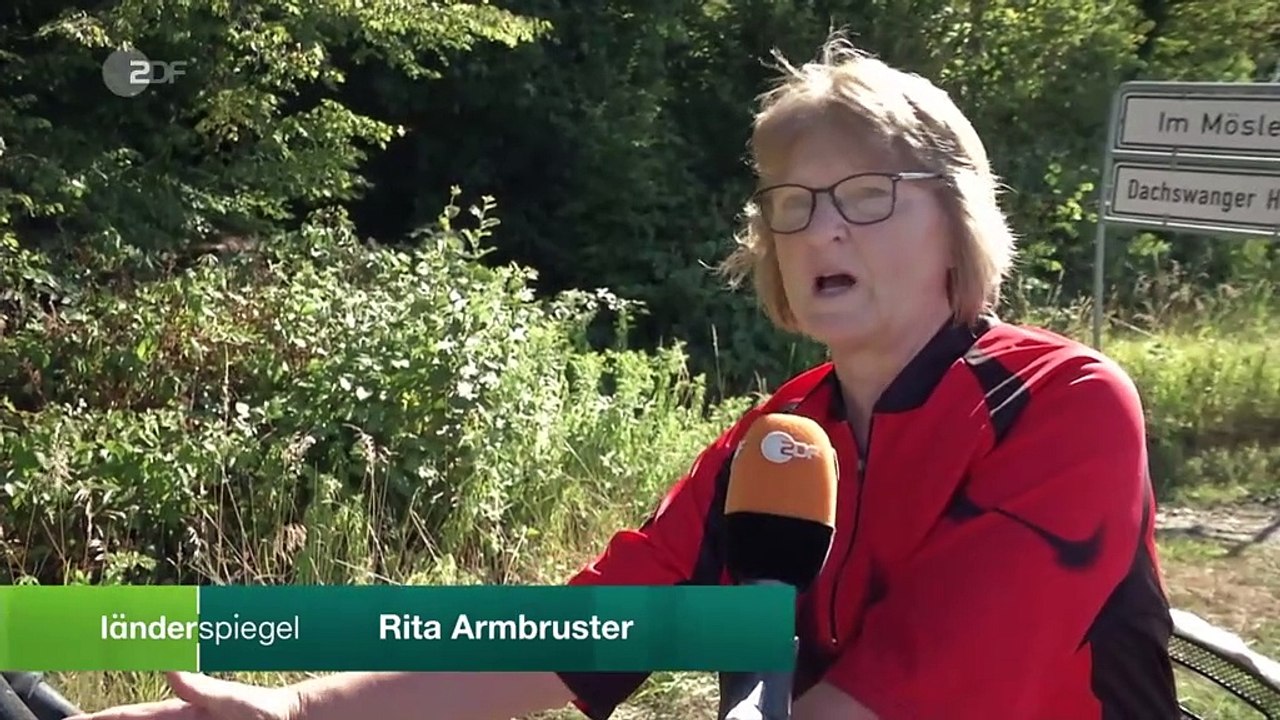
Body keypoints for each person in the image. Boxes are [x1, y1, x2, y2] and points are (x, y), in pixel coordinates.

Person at [69, 32, 1181, 720]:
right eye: (791, 205)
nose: (816, 228)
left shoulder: (1064, 406)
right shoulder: (776, 442)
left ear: (957, 226)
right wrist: (301, 705)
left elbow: (915, 687)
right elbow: (592, 632)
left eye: (864, 196)